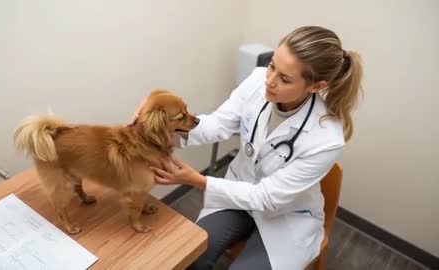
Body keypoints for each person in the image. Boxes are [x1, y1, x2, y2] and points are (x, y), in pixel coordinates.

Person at [136, 26, 363, 270]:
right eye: (272, 65)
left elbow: (267, 197)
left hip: (286, 216)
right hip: (236, 195)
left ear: (317, 86)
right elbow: (218, 124)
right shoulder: (257, 81)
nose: (270, 81)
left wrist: (198, 181)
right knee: (189, 255)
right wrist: (159, 130)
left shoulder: (326, 139)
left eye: (285, 78)